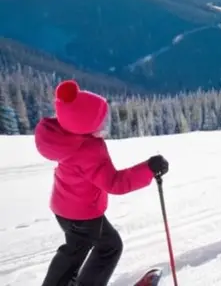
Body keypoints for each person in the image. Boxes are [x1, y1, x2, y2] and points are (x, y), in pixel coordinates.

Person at [35, 80, 168, 286]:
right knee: (92, 250)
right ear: (84, 124)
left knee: (99, 247)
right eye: (100, 121)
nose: (104, 126)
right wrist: (148, 169)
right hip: (83, 215)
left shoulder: (67, 138)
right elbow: (115, 183)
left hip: (67, 207)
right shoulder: (88, 150)